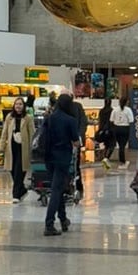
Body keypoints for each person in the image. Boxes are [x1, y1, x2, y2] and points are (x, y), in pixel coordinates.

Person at [43, 91, 80, 236]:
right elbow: (76, 141)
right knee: (57, 190)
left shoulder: (50, 118)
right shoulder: (70, 120)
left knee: (58, 188)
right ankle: (49, 224)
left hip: (49, 157)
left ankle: (63, 219)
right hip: (62, 157)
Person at [0, 96, 33, 202]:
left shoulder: (28, 118)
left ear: (24, 106)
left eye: (20, 104)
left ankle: (16, 195)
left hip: (23, 148)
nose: (18, 106)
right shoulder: (9, 117)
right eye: (17, 104)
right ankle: (22, 190)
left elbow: (32, 133)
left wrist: (32, 148)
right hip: (11, 148)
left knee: (19, 170)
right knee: (12, 170)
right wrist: (1, 146)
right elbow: (4, 132)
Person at [110, 95, 134, 167]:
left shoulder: (115, 109)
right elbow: (131, 120)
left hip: (116, 128)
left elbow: (111, 120)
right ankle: (122, 160)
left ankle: (120, 159)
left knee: (119, 144)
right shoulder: (128, 110)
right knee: (122, 145)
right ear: (126, 102)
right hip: (125, 129)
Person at [97, 97, 116, 169]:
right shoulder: (112, 111)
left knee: (106, 144)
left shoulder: (101, 111)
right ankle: (106, 158)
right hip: (111, 130)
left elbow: (100, 121)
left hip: (102, 130)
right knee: (112, 145)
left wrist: (100, 130)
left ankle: (104, 157)